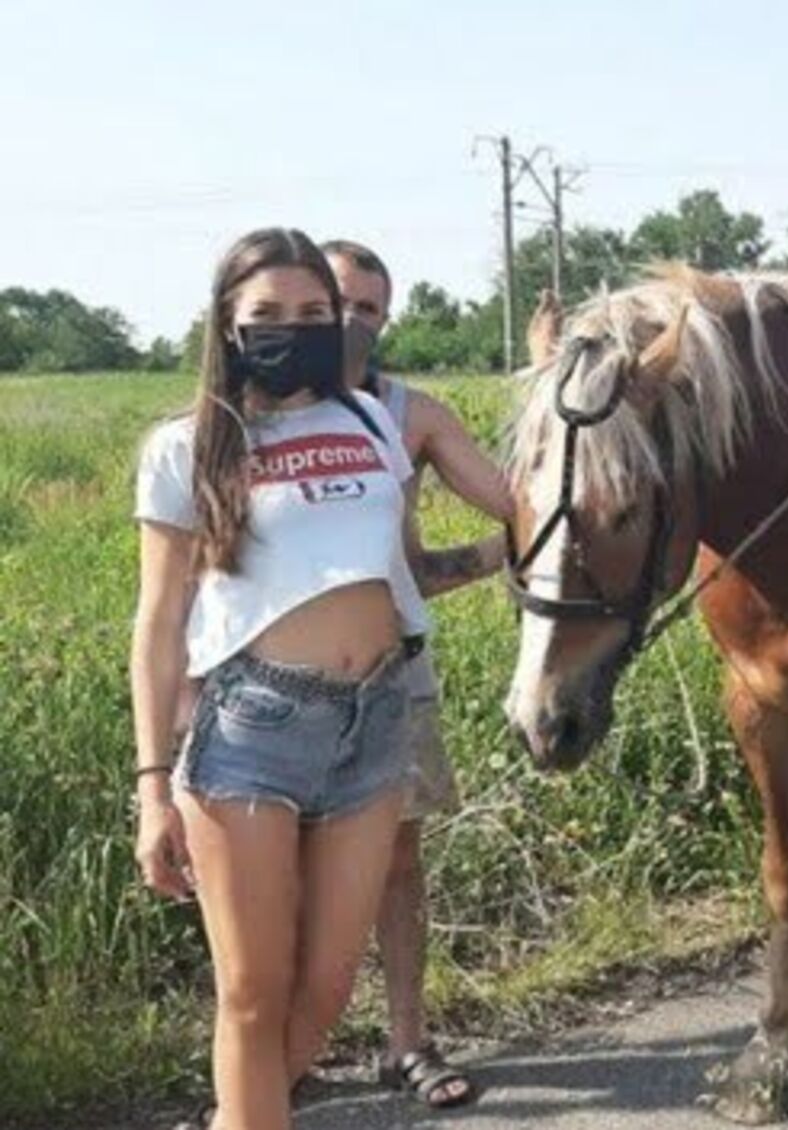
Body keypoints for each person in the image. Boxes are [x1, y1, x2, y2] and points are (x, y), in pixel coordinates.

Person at [132, 228, 430, 1130]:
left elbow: (422, 547)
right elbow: (157, 621)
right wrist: (151, 787)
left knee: (329, 991)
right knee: (254, 996)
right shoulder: (187, 445)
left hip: (375, 721)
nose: (291, 330)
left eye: (313, 313)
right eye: (266, 314)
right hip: (254, 729)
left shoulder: (375, 420)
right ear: (227, 324)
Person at [321, 239, 511, 1110]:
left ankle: (405, 1041)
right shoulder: (241, 415)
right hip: (269, 681)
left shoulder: (413, 415)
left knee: (398, 859)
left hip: (394, 666)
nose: (351, 319)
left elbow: (514, 505)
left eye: (370, 307)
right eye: (336, 300)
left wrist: (511, 550)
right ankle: (285, 1049)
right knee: (275, 867)